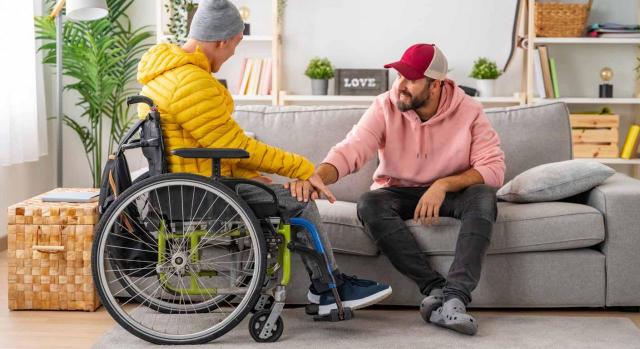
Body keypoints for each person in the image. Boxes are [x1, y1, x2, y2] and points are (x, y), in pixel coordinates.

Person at [135, 0, 391, 316]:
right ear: (222, 40)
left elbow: (209, 142)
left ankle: (324, 285)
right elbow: (233, 144)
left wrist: (246, 173)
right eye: (235, 45)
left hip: (191, 184)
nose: (231, 55)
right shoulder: (190, 81)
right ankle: (328, 289)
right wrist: (303, 166)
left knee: (281, 192)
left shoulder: (168, 76)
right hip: (201, 191)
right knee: (300, 201)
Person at [311, 43, 505, 334]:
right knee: (370, 203)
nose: (400, 85)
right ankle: (437, 290)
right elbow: (352, 149)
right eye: (399, 76)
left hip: (451, 194)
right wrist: (318, 176)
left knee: (483, 196)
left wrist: (443, 185)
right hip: (397, 192)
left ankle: (456, 299)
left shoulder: (470, 111)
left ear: (436, 84)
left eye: (411, 79)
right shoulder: (384, 106)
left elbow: (493, 169)